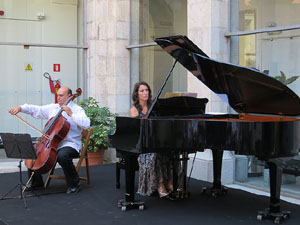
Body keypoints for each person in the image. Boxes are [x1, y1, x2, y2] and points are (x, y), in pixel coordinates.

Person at [8, 86, 90, 194]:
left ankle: (74, 184)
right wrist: (20, 108)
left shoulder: (77, 110)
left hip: (70, 144)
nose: (58, 98)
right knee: (33, 151)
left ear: (69, 96)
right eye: (57, 95)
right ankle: (36, 183)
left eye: (61, 95)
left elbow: (86, 124)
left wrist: (71, 114)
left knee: (62, 155)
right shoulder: (54, 108)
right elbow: (36, 109)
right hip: (52, 143)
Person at [130, 81, 175, 198]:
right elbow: (137, 131)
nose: (145, 93)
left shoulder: (155, 107)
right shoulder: (134, 110)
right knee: (155, 154)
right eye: (142, 91)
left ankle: (170, 181)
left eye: (147, 90)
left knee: (170, 151)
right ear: (136, 94)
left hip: (156, 142)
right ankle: (160, 185)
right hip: (143, 146)